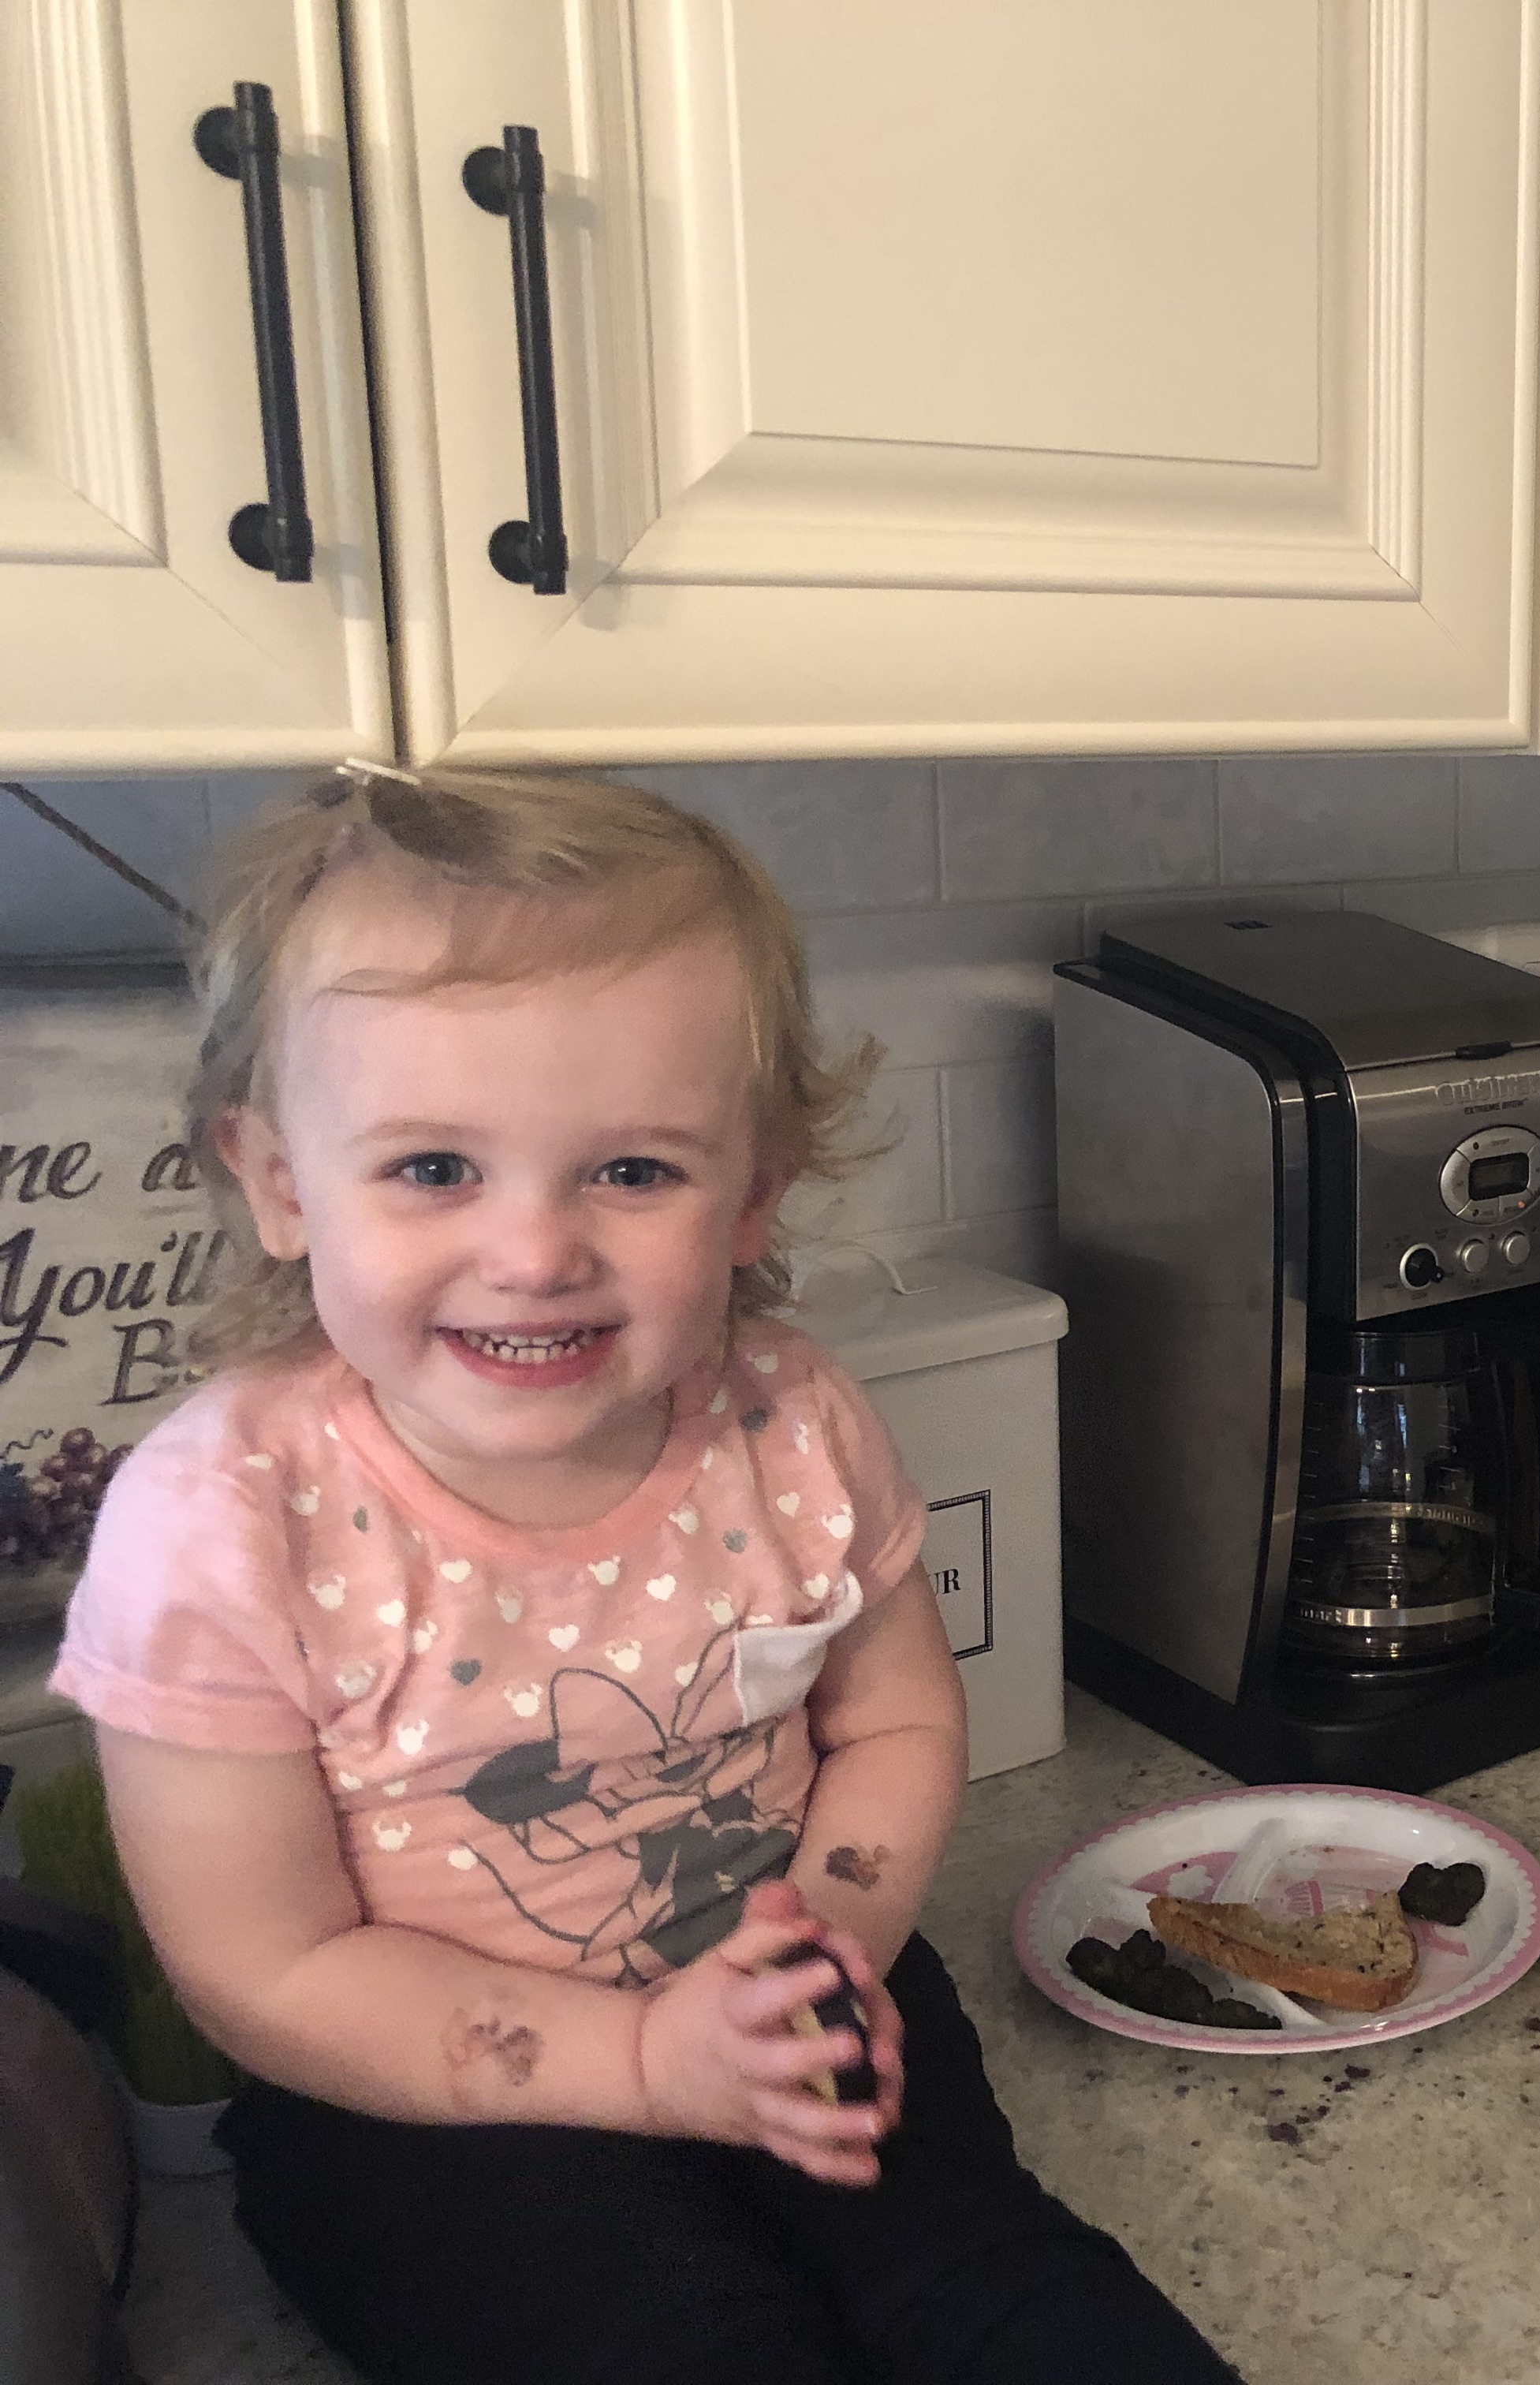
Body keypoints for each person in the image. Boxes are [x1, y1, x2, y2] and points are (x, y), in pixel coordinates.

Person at [49, 763, 1244, 2385]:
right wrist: (641, 2061)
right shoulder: (223, 1520)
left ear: (752, 1192)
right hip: (437, 2102)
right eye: (432, 1169)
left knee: (1008, 2293)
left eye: (631, 1171)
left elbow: (895, 1720)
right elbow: (264, 1969)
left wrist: (821, 1942)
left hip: (788, 2001)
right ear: (276, 1180)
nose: (535, 1250)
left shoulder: (794, 1422)